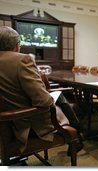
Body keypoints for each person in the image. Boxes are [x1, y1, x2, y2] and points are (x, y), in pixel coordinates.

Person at [0, 26, 83, 158]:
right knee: (58, 97)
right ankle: (78, 132)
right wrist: (50, 97)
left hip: (5, 124)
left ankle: (79, 131)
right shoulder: (22, 59)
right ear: (17, 45)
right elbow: (43, 101)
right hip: (26, 126)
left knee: (58, 96)